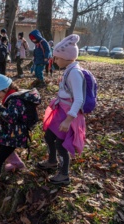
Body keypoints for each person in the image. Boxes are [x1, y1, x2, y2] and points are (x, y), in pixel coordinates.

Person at [0, 71, 41, 201]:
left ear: (5, 89)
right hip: (10, 134)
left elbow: (12, 117)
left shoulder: (15, 100)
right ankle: (17, 163)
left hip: (14, 136)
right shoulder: (13, 97)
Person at [38, 34, 86, 186]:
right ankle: (52, 161)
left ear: (66, 57)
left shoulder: (75, 73)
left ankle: (64, 174)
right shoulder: (69, 70)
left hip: (68, 115)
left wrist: (68, 120)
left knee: (61, 143)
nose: (55, 61)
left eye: (57, 58)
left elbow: (79, 99)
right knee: (49, 135)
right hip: (61, 111)